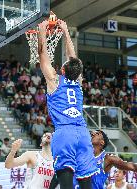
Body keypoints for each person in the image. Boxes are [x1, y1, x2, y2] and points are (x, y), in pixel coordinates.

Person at [38, 19, 97, 189]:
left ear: (62, 70)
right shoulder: (78, 82)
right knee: (86, 183)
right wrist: (65, 30)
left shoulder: (55, 81)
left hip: (65, 133)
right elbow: (74, 59)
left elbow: (43, 56)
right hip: (83, 134)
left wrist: (42, 32)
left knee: (66, 184)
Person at [50, 130, 137, 189]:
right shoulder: (78, 155)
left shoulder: (107, 159)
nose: (92, 133)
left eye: (97, 133)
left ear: (102, 142)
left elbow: (133, 167)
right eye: (92, 133)